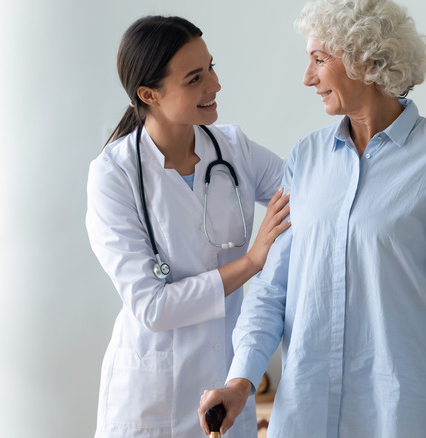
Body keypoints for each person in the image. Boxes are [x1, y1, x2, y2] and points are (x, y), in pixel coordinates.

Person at [198, 0, 426, 437]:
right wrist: (240, 382)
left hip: (402, 415)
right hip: (306, 412)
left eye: (319, 59)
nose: (307, 77)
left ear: (366, 59)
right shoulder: (305, 157)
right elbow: (271, 290)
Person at [85, 15, 291, 438]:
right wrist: (252, 262)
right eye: (195, 78)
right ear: (149, 95)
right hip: (152, 401)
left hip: (225, 387)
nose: (214, 86)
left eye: (211, 68)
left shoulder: (233, 148)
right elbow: (153, 307)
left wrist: (415, 153)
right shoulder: (114, 175)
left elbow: (315, 192)